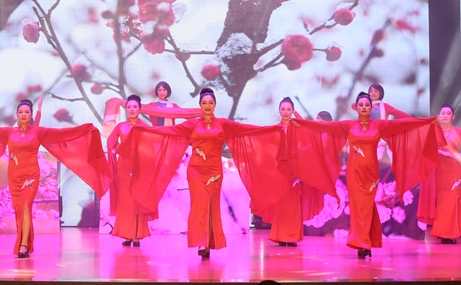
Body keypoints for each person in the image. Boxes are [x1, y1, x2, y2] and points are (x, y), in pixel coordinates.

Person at [119, 88, 291, 259]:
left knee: (211, 206)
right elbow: (168, 131)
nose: (207, 106)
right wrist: (143, 131)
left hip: (214, 171)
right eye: (204, 103)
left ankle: (209, 242)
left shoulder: (223, 124)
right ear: (200, 105)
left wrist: (275, 129)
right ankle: (202, 242)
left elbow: (247, 129)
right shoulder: (192, 124)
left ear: (215, 105)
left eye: (210, 103)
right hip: (196, 170)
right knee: (199, 205)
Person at [290, 92, 444, 258]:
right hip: (354, 174)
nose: (364, 107)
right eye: (361, 105)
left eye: (367, 105)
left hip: (371, 175)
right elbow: (323, 127)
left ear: (371, 107)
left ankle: (366, 241)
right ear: (356, 108)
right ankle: (362, 244)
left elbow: (403, 124)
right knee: (357, 209)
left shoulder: (379, 126)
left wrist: (427, 121)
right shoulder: (348, 126)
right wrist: (301, 122)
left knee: (368, 209)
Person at [0, 98, 112, 258]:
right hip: (14, 177)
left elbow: (62, 134)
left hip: (30, 177)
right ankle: (25, 243)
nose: (23, 114)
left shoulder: (38, 132)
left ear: (31, 114)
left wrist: (85, 129)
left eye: (27, 112)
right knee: (19, 211)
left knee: (25, 207)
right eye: (21, 112)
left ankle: (23, 245)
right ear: (17, 114)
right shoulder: (8, 132)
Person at [260, 97, 325, 247]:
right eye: (283, 109)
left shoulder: (298, 128)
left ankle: (293, 236)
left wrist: (298, 117)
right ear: (279, 111)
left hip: (295, 171)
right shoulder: (274, 129)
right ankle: (281, 236)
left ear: (293, 111)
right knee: (282, 205)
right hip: (280, 172)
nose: (285, 112)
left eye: (289, 109)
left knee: (294, 204)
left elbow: (309, 138)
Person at [106, 94, 153, 246]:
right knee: (125, 200)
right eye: (129, 107)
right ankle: (127, 234)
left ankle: (137, 235)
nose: (132, 109)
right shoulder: (121, 127)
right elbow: (110, 142)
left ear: (140, 109)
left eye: (135, 107)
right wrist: (115, 150)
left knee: (137, 199)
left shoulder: (145, 127)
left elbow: (150, 147)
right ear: (125, 109)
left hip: (140, 167)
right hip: (124, 168)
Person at [417, 104, 461, 244]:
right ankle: (444, 233)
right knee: (442, 202)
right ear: (439, 116)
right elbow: (428, 150)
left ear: (453, 116)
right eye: (443, 113)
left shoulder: (458, 132)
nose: (445, 116)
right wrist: (446, 154)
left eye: (448, 113)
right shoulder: (435, 132)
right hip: (439, 171)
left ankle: (450, 234)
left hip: (454, 171)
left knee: (452, 200)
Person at [101, 81, 200, 137]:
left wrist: (202, 112)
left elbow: (186, 113)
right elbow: (138, 106)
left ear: (168, 92)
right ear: (156, 92)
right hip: (156, 137)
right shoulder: (152, 106)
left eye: (164, 90)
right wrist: (120, 102)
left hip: (172, 136)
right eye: (160, 90)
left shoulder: (173, 107)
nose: (162, 92)